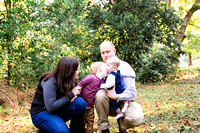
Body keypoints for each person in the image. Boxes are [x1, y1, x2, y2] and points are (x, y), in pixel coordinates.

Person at [95, 41, 144, 133]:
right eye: (103, 53)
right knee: (100, 94)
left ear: (114, 51)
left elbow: (132, 92)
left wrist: (117, 96)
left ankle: (122, 128)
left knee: (136, 118)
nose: (105, 55)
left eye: (108, 51)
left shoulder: (125, 67)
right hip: (107, 105)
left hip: (124, 103)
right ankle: (104, 129)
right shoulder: (101, 68)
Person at [30, 56, 86, 133]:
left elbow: (71, 100)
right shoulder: (49, 81)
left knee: (80, 102)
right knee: (62, 131)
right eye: (77, 69)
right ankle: (47, 128)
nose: (79, 71)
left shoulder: (71, 80)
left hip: (58, 110)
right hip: (41, 113)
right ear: (70, 71)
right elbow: (51, 107)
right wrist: (71, 94)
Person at [77, 62, 107, 133]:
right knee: (82, 121)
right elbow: (80, 84)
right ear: (100, 69)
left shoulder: (103, 81)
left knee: (90, 121)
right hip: (83, 104)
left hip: (90, 106)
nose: (108, 70)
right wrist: (76, 95)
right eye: (106, 69)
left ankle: (89, 131)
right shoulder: (90, 78)